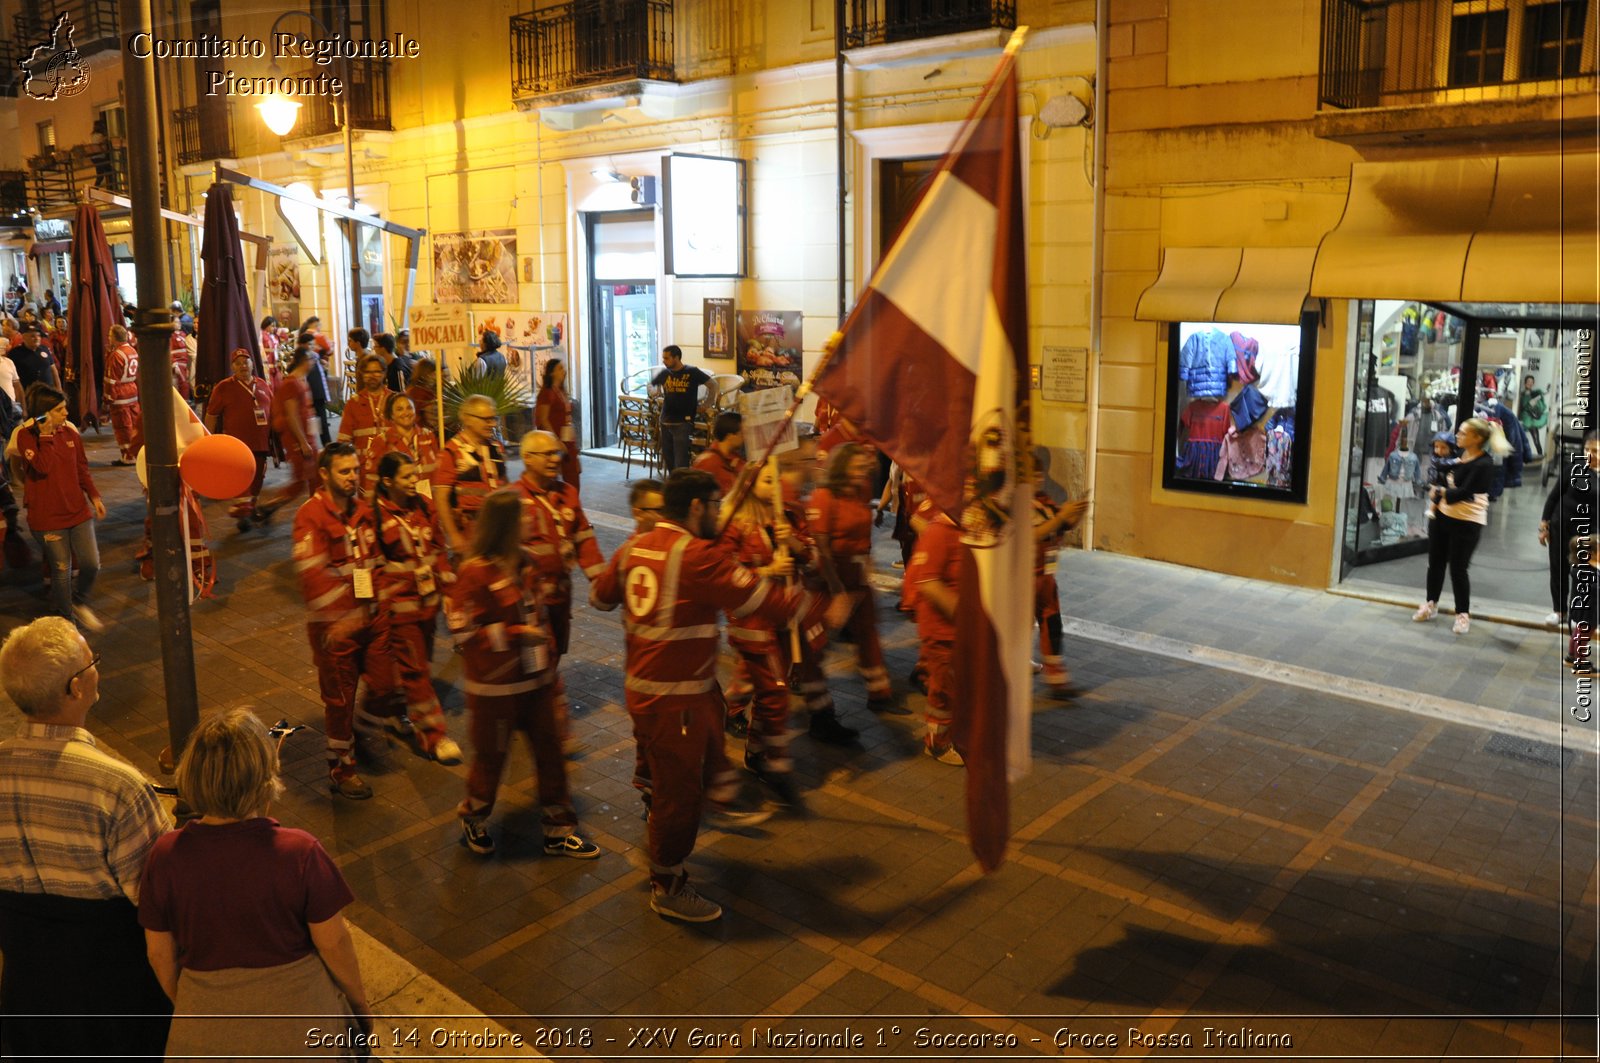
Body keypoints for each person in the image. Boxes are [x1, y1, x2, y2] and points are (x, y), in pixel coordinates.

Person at [592, 469, 845, 921]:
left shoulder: (634, 546)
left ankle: (690, 807)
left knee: (677, 771)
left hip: (654, 688)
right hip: (676, 699)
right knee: (679, 796)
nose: (720, 514)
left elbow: (599, 598)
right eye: (715, 505)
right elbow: (761, 599)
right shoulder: (696, 556)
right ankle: (668, 884)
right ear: (695, 507)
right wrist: (826, 610)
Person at [139, 709, 372, 1059]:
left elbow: (159, 955)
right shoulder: (299, 852)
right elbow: (335, 944)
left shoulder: (166, 855)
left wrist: (195, 1007)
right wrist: (359, 1010)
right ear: (265, 777)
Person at [0, 618, 173, 1059]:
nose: (98, 668)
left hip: (28, 990)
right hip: (115, 993)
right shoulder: (119, 787)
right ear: (76, 688)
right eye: (92, 661)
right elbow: (159, 900)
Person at [445, 490, 601, 860]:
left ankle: (559, 832)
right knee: (490, 760)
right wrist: (514, 635)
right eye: (524, 518)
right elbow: (463, 630)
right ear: (506, 526)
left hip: (537, 682)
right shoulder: (474, 571)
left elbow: (541, 613)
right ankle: (474, 816)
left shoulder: (528, 562)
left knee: (551, 754)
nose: (532, 522)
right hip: (494, 688)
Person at [292, 442, 383, 798]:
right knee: (340, 700)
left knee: (388, 683)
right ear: (325, 474)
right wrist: (344, 618)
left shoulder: (363, 510)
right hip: (334, 629)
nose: (352, 477)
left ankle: (359, 730)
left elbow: (376, 560)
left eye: (355, 470)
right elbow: (312, 575)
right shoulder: (310, 516)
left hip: (370, 620)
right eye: (344, 471)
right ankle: (341, 768)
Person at [369, 449, 461, 764]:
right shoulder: (374, 516)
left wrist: (448, 592)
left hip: (427, 606)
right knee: (417, 672)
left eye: (415, 475)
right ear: (387, 480)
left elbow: (438, 550)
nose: (414, 481)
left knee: (413, 669)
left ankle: (391, 713)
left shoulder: (425, 507)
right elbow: (372, 567)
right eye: (406, 477)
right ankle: (434, 737)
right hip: (399, 611)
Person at [5, 384, 106, 630]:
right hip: (47, 517)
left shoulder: (70, 433)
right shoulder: (26, 435)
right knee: (61, 570)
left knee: (92, 564)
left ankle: (78, 602)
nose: (66, 414)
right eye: (60, 410)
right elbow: (42, 466)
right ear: (45, 413)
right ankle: (67, 620)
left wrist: (94, 496)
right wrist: (46, 435)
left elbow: (81, 468)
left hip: (77, 511)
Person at [807, 442, 894, 706]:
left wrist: (867, 563)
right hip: (831, 575)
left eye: (863, 466)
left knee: (867, 629)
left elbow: (863, 533)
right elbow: (821, 545)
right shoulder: (824, 496)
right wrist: (836, 589)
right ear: (841, 467)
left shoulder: (860, 490)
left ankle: (879, 693)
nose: (862, 471)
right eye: (856, 467)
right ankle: (809, 686)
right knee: (820, 637)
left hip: (856, 573)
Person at [1413, 417, 1512, 635]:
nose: (1457, 436)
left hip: (1467, 522)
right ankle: (1431, 603)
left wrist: (1439, 492)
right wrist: (1438, 491)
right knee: (1435, 562)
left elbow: (1464, 493)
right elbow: (1444, 481)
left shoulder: (1485, 464)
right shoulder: (1459, 457)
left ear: (1477, 438)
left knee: (1458, 568)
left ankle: (1462, 614)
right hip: (1442, 517)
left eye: (1463, 433)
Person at [908, 504, 965, 763]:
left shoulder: (966, 530)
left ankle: (955, 733)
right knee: (944, 690)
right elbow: (929, 583)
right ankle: (937, 743)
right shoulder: (940, 532)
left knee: (957, 687)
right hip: (943, 630)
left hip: (960, 629)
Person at [205, 348, 275, 527]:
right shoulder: (223, 387)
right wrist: (208, 439)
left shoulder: (262, 385)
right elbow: (212, 415)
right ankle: (244, 511)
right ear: (232, 367)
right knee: (242, 477)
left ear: (252, 364)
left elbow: (273, 410)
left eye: (246, 362)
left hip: (261, 442)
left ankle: (249, 508)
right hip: (237, 445)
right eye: (238, 363)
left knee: (258, 477)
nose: (243, 366)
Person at [1032, 474, 1089, 692]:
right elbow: (1031, 534)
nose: (1038, 478)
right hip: (1026, 578)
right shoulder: (1016, 507)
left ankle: (1056, 675)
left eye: (1039, 474)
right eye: (1032, 474)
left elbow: (1064, 524)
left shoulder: (1045, 501)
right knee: (1018, 628)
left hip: (1046, 578)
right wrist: (1060, 517)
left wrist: (1078, 513)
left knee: (1052, 623)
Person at [1540, 429, 1599, 630]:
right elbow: (1554, 496)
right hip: (1561, 526)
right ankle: (1559, 610)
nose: (1591, 454)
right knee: (1558, 570)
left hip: (1589, 534)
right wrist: (1544, 523)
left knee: (1582, 573)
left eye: (1596, 451)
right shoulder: (1574, 467)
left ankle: (1577, 615)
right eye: (1587, 449)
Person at [435, 394, 508, 554]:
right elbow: (441, 498)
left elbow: (505, 485)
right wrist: (453, 535)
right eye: (487, 419)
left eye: (494, 418)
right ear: (467, 419)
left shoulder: (496, 447)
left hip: (499, 527)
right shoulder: (451, 451)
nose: (493, 424)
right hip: (470, 531)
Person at [257, 347, 319, 518]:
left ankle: (271, 507)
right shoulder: (292, 383)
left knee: (312, 478)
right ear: (306, 360)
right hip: (298, 439)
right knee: (303, 481)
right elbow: (292, 416)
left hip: (306, 437)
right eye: (313, 359)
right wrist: (303, 442)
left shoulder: (300, 380)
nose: (314, 363)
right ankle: (269, 507)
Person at [650, 344, 711, 472]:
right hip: (665, 420)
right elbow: (651, 385)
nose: (663, 361)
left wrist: (707, 404)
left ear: (676, 357)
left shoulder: (691, 372)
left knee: (681, 461)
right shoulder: (665, 373)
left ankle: (682, 486)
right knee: (669, 458)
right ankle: (673, 485)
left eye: (667, 358)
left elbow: (714, 385)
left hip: (683, 421)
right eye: (663, 358)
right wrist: (655, 390)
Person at [366, 392, 439, 496]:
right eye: (399, 409)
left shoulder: (428, 436)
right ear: (391, 415)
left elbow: (438, 471)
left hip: (430, 504)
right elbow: (372, 479)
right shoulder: (382, 441)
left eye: (409, 408)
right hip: (399, 504)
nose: (406, 413)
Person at [337, 352, 396, 465]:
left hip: (392, 466)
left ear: (384, 373)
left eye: (377, 372)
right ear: (362, 374)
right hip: (364, 467)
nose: (372, 376)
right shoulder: (353, 404)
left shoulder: (395, 400)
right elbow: (344, 440)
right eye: (367, 372)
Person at [534, 356, 581, 487]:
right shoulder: (547, 393)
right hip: (555, 440)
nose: (564, 371)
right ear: (551, 372)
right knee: (553, 476)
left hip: (567, 437)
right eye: (560, 368)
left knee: (573, 476)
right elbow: (543, 419)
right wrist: (556, 441)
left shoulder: (561, 391)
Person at [103, 323, 141, 465]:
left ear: (114, 337)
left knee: (123, 426)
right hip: (132, 390)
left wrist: (108, 400)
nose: (108, 338)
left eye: (109, 336)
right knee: (134, 423)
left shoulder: (116, 355)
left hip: (120, 395)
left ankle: (128, 456)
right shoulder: (132, 351)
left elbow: (111, 380)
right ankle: (137, 452)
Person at [692, 410, 745, 493]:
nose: (744, 437)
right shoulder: (707, 463)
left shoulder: (735, 459)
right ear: (730, 436)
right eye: (741, 433)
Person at [9, 323, 61, 391]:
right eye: (32, 336)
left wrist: (59, 390)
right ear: (24, 337)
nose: (37, 338)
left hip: (48, 392)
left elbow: (53, 370)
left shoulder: (44, 349)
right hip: (29, 394)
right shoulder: (15, 353)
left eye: (39, 336)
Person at [407, 357, 440, 435]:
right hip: (423, 433)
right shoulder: (423, 393)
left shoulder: (412, 390)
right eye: (434, 374)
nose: (436, 377)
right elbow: (432, 419)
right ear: (427, 374)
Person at [1519, 374, 1548, 459]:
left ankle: (1540, 457)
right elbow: (1525, 406)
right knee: (1523, 440)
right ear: (1525, 383)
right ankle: (1525, 457)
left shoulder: (1535, 393)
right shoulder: (1523, 394)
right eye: (1528, 382)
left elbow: (1540, 405)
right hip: (1525, 419)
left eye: (1531, 382)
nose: (1530, 383)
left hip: (1532, 419)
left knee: (1536, 440)